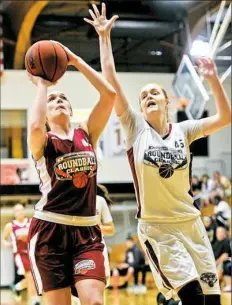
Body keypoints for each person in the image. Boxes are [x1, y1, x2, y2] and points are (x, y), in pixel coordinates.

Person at [84, 3, 231, 305]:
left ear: (167, 102)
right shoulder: (135, 128)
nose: (148, 96)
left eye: (154, 93)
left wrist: (214, 79)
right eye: (143, 95)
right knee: (193, 297)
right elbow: (111, 82)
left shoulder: (185, 130)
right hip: (158, 228)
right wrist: (103, 37)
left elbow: (225, 118)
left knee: (212, 301)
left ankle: (166, 302)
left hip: (191, 223)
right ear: (140, 107)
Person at [26, 41, 116, 305]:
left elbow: (109, 95)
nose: (58, 101)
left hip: (86, 232)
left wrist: (76, 60)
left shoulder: (85, 133)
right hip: (49, 230)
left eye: (63, 98)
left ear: (72, 110)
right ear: (45, 113)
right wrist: (42, 87)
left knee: (95, 302)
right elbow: (33, 126)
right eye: (53, 99)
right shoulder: (43, 140)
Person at [2, 203, 40, 305]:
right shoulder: (10, 226)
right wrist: (8, 244)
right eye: (17, 210)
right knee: (30, 277)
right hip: (20, 255)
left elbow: (37, 235)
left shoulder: (30, 222)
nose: (20, 212)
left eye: (21, 210)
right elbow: (3, 239)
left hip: (31, 253)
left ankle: (17, 287)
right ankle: (35, 301)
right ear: (14, 213)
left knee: (34, 277)